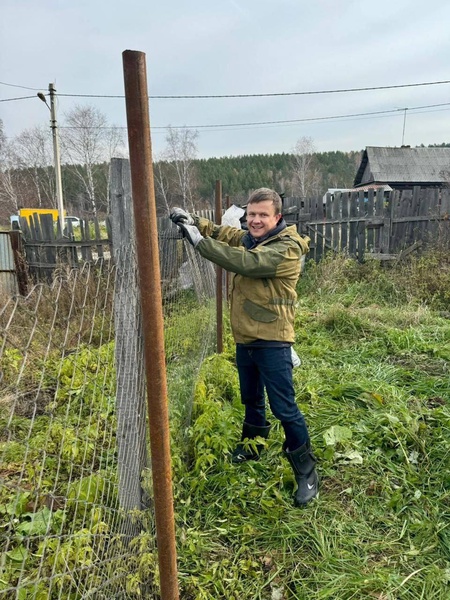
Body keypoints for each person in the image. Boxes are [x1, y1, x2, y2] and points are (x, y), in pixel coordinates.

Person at [169, 188, 318, 506]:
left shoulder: (285, 248)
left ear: (277, 217)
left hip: (272, 340)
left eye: (263, 215)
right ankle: (253, 446)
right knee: (251, 398)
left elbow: (247, 263)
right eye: (251, 214)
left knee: (284, 408)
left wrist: (199, 242)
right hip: (245, 337)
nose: (256, 220)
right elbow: (227, 233)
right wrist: (194, 220)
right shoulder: (251, 237)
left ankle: (306, 472)